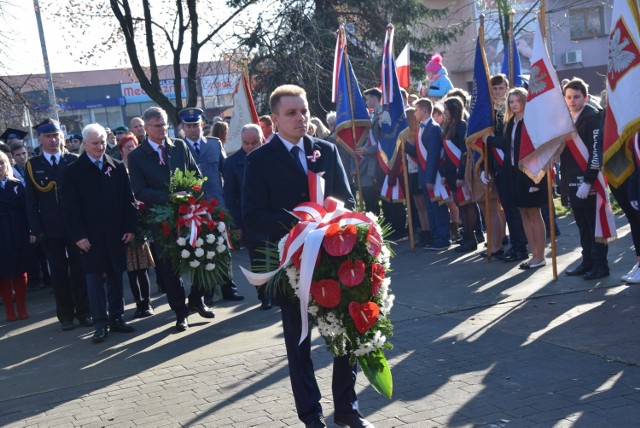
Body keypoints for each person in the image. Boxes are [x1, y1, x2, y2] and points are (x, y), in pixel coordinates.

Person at [243, 84, 371, 428]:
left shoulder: (326, 151)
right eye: (291, 113)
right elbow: (251, 215)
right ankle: (311, 414)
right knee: (300, 343)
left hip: (335, 259)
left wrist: (334, 224)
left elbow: (346, 199)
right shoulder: (259, 160)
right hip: (292, 265)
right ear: (275, 119)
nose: (300, 118)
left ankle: (347, 407)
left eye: (303, 111)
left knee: (346, 332)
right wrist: (300, 224)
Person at [128, 107, 212, 332]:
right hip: (161, 219)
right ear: (146, 129)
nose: (163, 129)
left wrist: (193, 194)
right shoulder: (137, 156)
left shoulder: (179, 146)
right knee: (170, 268)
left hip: (189, 214)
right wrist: (170, 197)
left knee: (202, 257)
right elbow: (139, 190)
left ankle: (197, 299)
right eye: (157, 125)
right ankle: (180, 312)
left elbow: (195, 174)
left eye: (165, 124)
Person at [62, 124, 137, 343]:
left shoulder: (116, 166)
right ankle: (100, 323)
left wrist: (130, 227)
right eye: (95, 143)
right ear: (85, 144)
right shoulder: (73, 171)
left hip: (115, 233)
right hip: (89, 236)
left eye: (103, 142)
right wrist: (78, 236)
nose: (100, 147)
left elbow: (128, 200)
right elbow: (69, 208)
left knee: (115, 275)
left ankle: (117, 318)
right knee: (94, 279)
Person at [25, 118, 92, 331]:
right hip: (50, 229)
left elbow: (84, 197)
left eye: (56, 136)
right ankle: (65, 315)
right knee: (59, 273)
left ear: (62, 137)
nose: (53, 140)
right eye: (48, 136)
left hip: (75, 229)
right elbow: (31, 200)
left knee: (80, 271)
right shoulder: (33, 165)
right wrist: (37, 230)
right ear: (40, 139)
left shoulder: (73, 159)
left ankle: (85, 312)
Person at [562, 78, 608, 280]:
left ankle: (600, 266)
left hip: (589, 181)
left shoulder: (592, 117)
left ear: (586, 97)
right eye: (569, 97)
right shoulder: (565, 120)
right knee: (582, 225)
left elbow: (596, 152)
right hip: (572, 180)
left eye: (576, 97)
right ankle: (587, 261)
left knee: (593, 224)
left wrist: (588, 180)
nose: (572, 101)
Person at [222, 123, 268, 308]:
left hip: (272, 217)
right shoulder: (232, 163)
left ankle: (279, 291)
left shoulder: (271, 157)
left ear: (261, 140)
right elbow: (230, 197)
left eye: (254, 143)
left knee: (278, 256)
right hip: (249, 219)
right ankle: (264, 296)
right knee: (257, 259)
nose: (249, 147)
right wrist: (236, 225)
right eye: (246, 143)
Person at [503, 88, 548, 269]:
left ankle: (540, 255)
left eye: (517, 100)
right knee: (523, 212)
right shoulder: (511, 123)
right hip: (515, 173)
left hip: (532, 172)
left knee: (534, 212)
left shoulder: (531, 122)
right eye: (511, 101)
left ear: (524, 101)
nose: (514, 104)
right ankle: (532, 254)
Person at [486, 74, 528, 262]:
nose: (497, 92)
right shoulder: (489, 110)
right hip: (499, 166)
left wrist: (490, 139)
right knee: (508, 208)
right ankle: (515, 244)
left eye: (501, 88)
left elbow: (506, 142)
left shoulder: (508, 113)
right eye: (494, 89)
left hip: (511, 165)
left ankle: (520, 246)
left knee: (514, 209)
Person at [118, 134, 156, 318]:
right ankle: (138, 303)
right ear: (121, 150)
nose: (130, 149)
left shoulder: (139, 166)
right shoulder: (118, 169)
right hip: (126, 225)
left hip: (140, 224)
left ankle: (147, 302)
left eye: (133, 145)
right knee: (131, 271)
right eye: (126, 146)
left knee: (142, 269)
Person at [0, 151, 34, 321]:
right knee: (3, 273)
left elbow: (26, 211)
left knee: (20, 269)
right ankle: (9, 310)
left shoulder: (17, 185)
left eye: (2, 163)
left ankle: (21, 306)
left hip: (17, 231)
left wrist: (31, 231)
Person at [441, 96, 477, 252]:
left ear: (454, 110)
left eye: (447, 110)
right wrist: (444, 174)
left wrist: (461, 175)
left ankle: (471, 237)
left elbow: (464, 153)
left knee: (467, 205)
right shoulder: (449, 126)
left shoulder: (461, 126)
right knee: (460, 206)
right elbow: (446, 155)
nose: (444, 112)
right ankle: (466, 237)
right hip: (450, 173)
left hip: (459, 172)